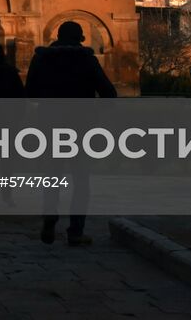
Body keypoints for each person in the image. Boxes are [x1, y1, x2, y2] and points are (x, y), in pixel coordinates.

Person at [25, 20, 117, 246]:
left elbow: (30, 92)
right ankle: (76, 231)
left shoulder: (42, 59)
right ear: (80, 38)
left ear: (58, 36)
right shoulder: (87, 60)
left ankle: (50, 213)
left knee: (52, 174)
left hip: (50, 125)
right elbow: (109, 93)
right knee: (81, 179)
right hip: (80, 125)